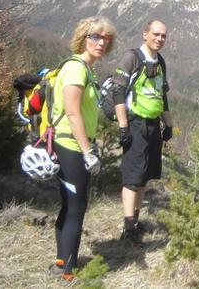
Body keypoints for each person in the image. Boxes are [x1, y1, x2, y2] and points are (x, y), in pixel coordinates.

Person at [48, 16, 117, 281]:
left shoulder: (87, 69)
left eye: (105, 38)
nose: (101, 42)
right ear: (82, 38)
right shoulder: (76, 69)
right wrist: (88, 152)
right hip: (71, 146)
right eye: (95, 37)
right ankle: (67, 273)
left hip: (73, 144)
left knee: (69, 206)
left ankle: (61, 262)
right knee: (76, 208)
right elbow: (73, 113)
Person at [110, 20, 173, 242]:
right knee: (132, 178)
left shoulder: (160, 62)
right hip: (135, 124)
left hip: (154, 125)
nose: (160, 39)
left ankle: (135, 221)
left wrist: (169, 124)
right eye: (156, 34)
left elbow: (161, 95)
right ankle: (128, 228)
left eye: (163, 36)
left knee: (145, 177)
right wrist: (123, 127)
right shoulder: (132, 57)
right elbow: (118, 92)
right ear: (145, 34)